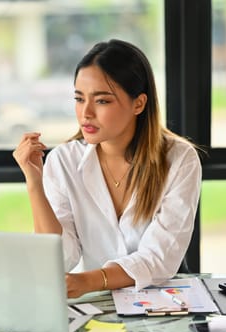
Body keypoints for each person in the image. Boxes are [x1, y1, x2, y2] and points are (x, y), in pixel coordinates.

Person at [13, 39, 202, 298]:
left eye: (102, 101)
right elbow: (57, 259)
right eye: (79, 99)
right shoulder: (63, 162)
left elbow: (159, 257)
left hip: (162, 302)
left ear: (139, 103)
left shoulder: (180, 159)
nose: (86, 113)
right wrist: (35, 183)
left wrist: (90, 281)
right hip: (97, 305)